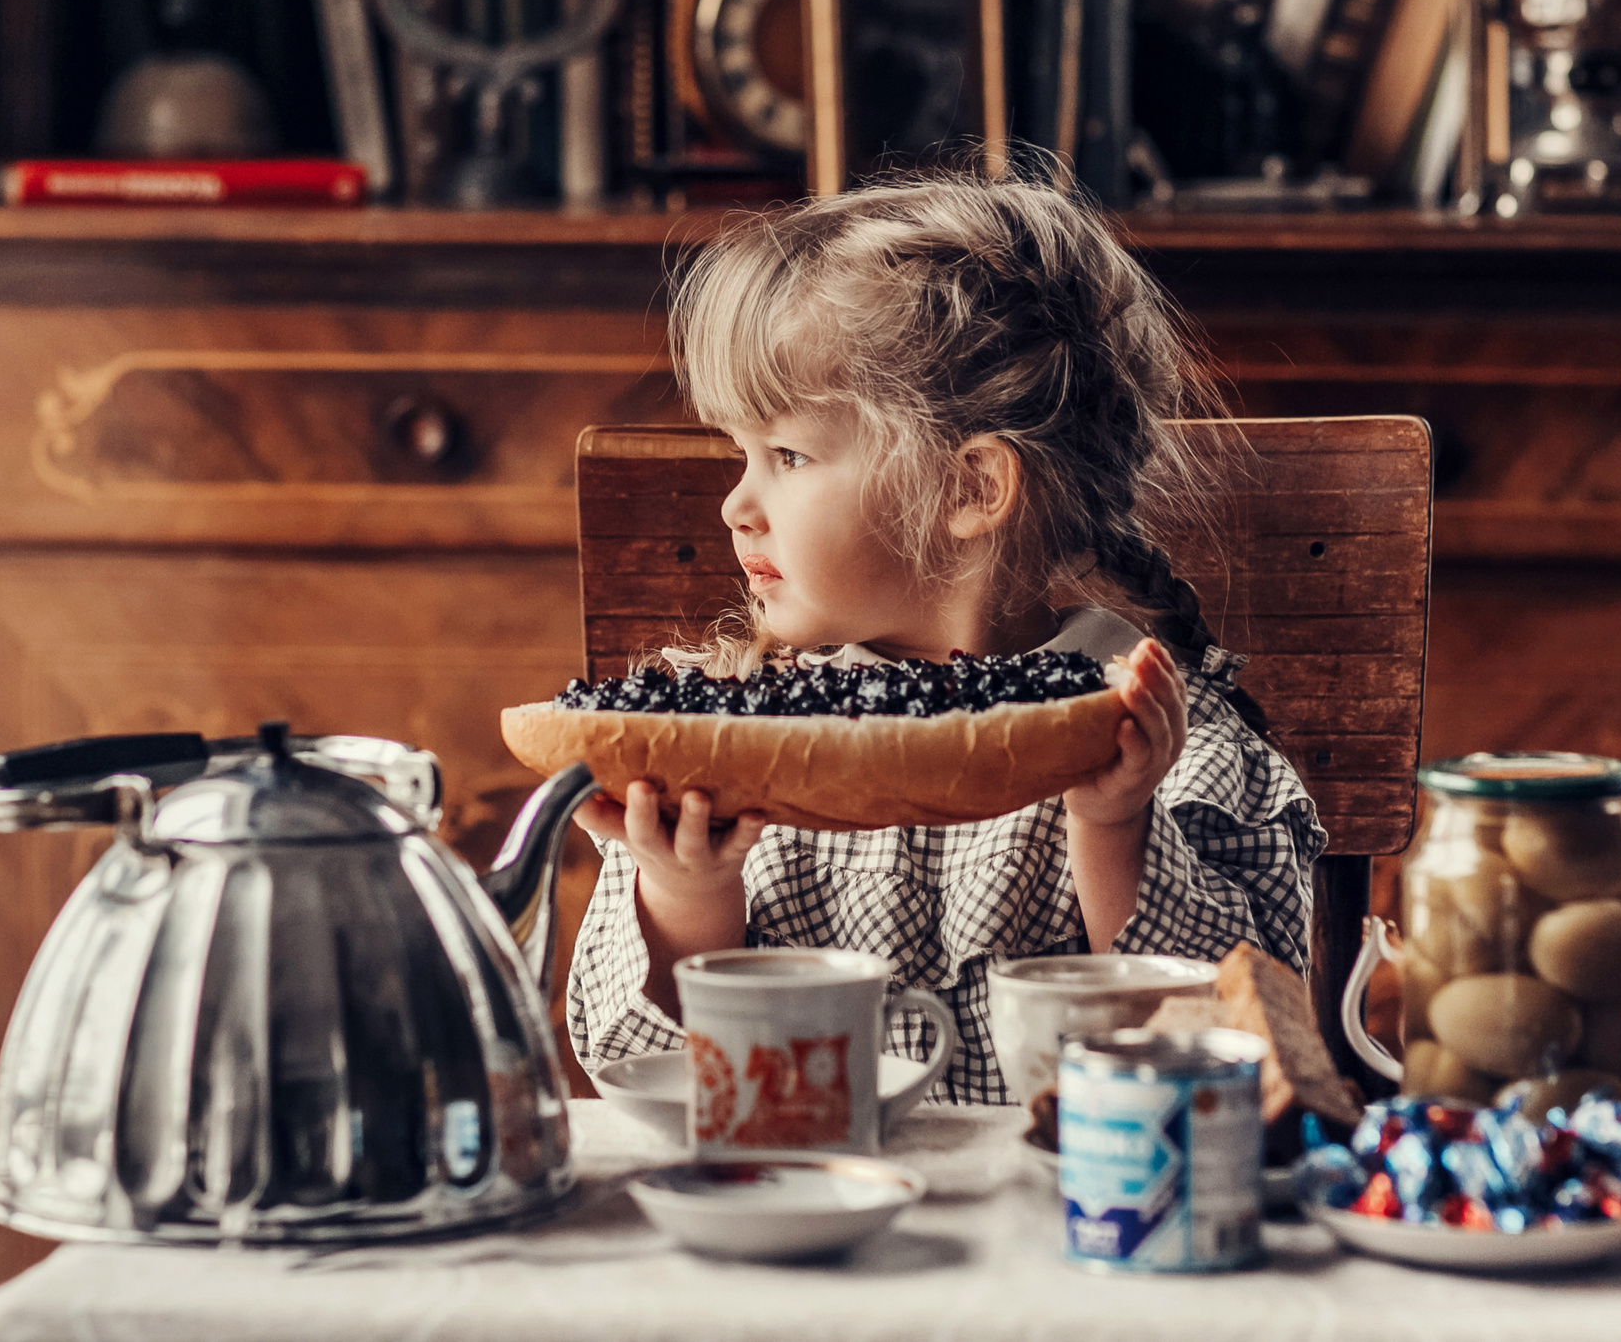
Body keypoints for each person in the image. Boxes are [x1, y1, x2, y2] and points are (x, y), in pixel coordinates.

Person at [565, 174, 1324, 1103]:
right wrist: (688, 895)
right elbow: (635, 1064)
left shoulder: (1180, 753)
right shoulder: (716, 757)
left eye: (789, 456)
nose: (735, 506)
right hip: (807, 1217)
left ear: (970, 490)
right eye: (741, 454)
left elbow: (1235, 1056)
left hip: (1062, 1228)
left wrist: (1115, 827)